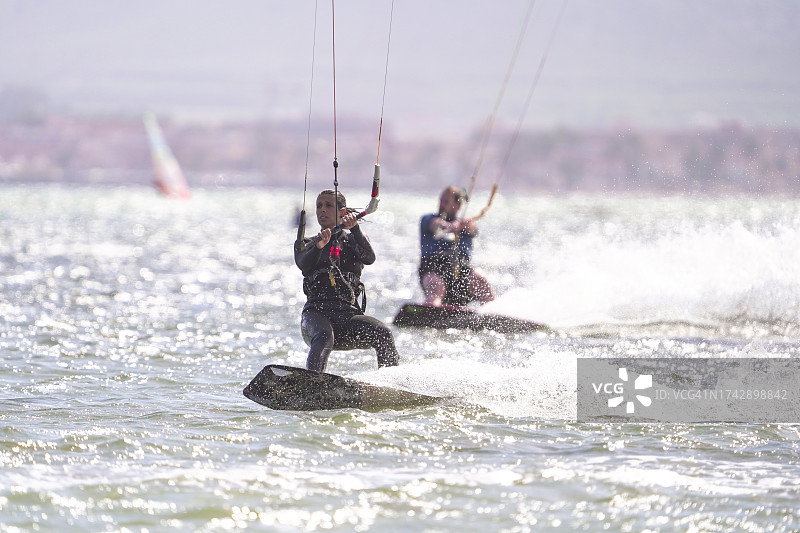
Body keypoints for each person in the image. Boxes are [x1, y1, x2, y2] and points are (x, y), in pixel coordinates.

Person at [294, 189, 399, 373]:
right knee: (325, 336)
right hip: (316, 316)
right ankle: (312, 382)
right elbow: (303, 264)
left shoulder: (353, 241)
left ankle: (391, 382)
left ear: (342, 212)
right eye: (319, 206)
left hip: (346, 317)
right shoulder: (308, 243)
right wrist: (319, 247)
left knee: (383, 333)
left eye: (328, 205)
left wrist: (355, 228)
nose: (322, 210)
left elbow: (369, 258)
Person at [419, 186, 495, 307]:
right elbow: (436, 225)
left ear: (457, 205)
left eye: (446, 202)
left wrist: (462, 225)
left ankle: (492, 314)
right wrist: (449, 226)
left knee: (482, 282)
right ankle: (431, 308)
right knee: (436, 286)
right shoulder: (428, 219)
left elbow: (472, 229)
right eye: (441, 201)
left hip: (460, 271)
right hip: (434, 268)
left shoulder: (466, 224)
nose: (442, 205)